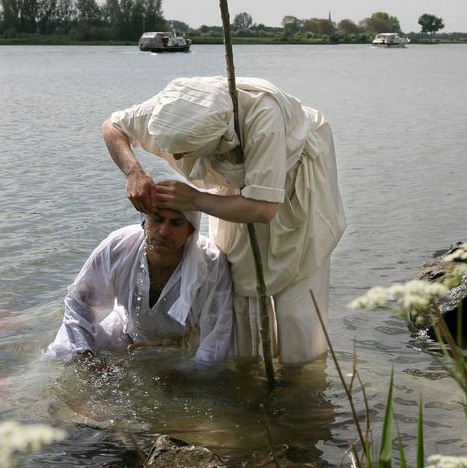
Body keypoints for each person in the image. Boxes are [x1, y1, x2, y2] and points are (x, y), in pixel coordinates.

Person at [102, 76, 346, 364]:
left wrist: (195, 200)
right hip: (236, 186)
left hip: (296, 185)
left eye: (185, 152)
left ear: (216, 139)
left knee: (297, 302)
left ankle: (302, 379)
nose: (176, 156)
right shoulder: (170, 107)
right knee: (240, 282)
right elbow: (112, 127)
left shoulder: (263, 119)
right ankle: (248, 367)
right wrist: (134, 172)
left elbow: (263, 210)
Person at [45, 206, 234, 367]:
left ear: (191, 230)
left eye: (176, 223)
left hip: (182, 345)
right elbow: (79, 302)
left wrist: (186, 374)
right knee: (64, 352)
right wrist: (86, 359)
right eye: (157, 220)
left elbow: (217, 336)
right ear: (144, 222)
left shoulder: (211, 262)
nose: (164, 231)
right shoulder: (120, 245)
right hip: (128, 329)